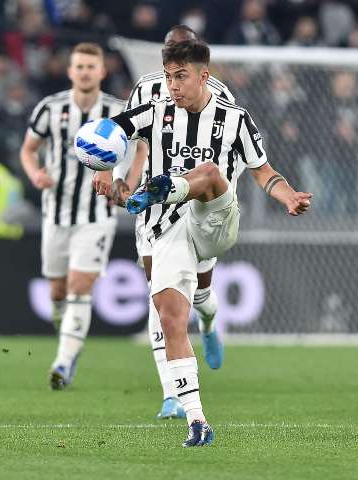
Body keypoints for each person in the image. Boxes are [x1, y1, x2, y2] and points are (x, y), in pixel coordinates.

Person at [106, 39, 311, 447]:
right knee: (171, 317)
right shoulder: (154, 111)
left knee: (211, 172)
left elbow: (263, 171)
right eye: (168, 77)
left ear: (204, 76)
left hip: (216, 217)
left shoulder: (234, 118)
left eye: (181, 77)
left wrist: (287, 195)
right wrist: (102, 166)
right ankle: (197, 420)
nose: (173, 86)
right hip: (167, 228)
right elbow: (111, 132)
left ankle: (168, 187)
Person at [94, 25, 232, 420]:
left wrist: (220, 199)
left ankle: (209, 323)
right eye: (170, 49)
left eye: (182, 49)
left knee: (200, 294)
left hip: (198, 206)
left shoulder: (218, 92)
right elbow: (131, 140)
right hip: (155, 206)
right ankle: (172, 393)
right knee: (160, 295)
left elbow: (232, 153)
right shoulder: (146, 89)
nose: (174, 56)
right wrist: (116, 174)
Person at [20, 42, 125, 390]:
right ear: (70, 71)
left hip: (97, 215)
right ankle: (68, 339)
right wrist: (35, 174)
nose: (84, 72)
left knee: (80, 287)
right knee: (57, 292)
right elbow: (28, 150)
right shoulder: (50, 108)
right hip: (56, 213)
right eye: (79, 66)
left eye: (90, 66)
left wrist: (126, 179)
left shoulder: (117, 111)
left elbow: (141, 146)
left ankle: (63, 362)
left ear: (102, 71)